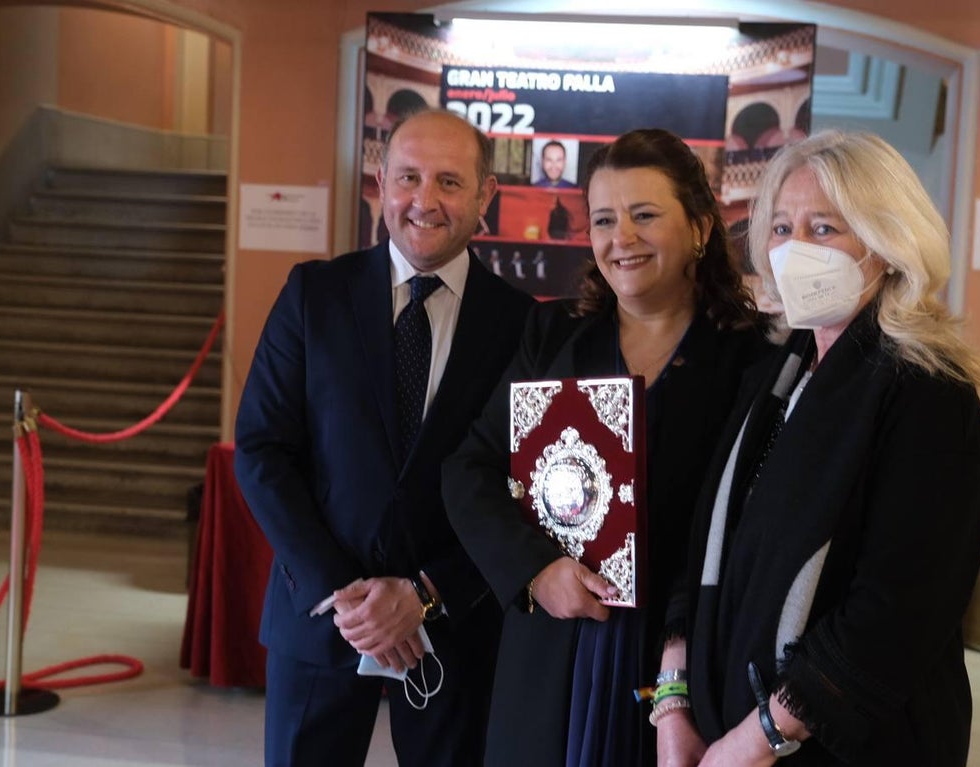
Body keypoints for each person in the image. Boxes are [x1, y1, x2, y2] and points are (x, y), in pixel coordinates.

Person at [656, 130, 980, 767]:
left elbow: (895, 615)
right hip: (726, 721)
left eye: (824, 229)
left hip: (845, 745)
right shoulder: (778, 374)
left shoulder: (928, 393)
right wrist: (673, 699)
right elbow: (708, 536)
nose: (794, 252)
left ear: (888, 243)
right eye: (782, 228)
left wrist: (753, 742)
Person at [444, 128, 769, 766]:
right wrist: (534, 572)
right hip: (552, 644)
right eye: (604, 219)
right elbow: (469, 469)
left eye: (645, 215)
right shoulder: (553, 334)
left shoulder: (751, 358)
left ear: (701, 227)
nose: (622, 237)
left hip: (678, 659)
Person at [233, 108, 534, 767]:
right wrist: (349, 596)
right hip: (321, 620)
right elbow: (261, 450)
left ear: (485, 195)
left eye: (450, 182)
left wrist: (427, 593)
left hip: (455, 633)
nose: (425, 200)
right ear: (380, 183)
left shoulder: (521, 326)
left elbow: (524, 486)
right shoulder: (314, 294)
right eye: (408, 177)